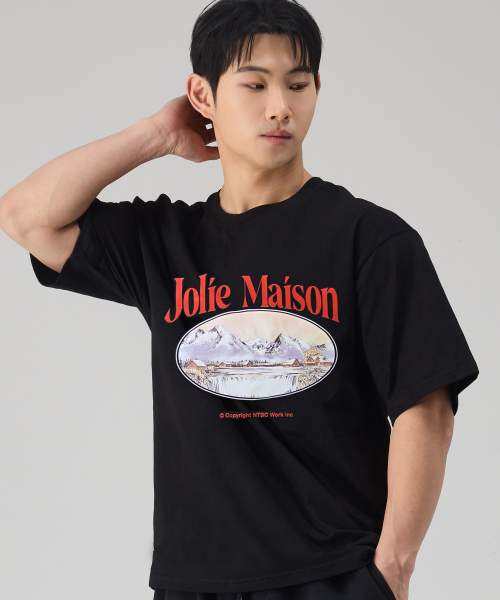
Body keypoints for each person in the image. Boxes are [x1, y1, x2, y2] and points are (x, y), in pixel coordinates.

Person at [0, 1, 479, 599]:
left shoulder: (370, 239)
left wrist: (394, 568)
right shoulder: (166, 245)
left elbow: (425, 407)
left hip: (332, 575)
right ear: (203, 95)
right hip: (193, 580)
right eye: (254, 85)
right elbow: (26, 217)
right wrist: (155, 135)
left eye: (298, 84)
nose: (280, 106)